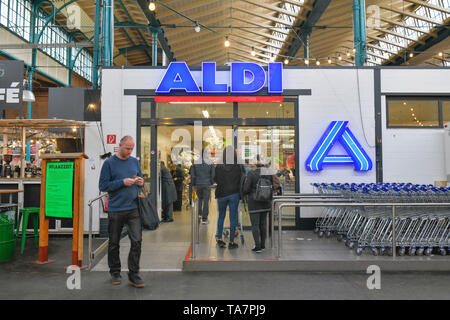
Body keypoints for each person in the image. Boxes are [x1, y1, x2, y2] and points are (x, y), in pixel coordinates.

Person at [98, 135, 145, 288]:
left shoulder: (134, 161)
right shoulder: (109, 163)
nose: (130, 151)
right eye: (127, 148)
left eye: (132, 148)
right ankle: (115, 271)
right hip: (116, 209)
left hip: (133, 208)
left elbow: (140, 178)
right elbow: (103, 185)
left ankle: (133, 273)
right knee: (114, 243)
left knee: (137, 240)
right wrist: (122, 182)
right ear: (120, 146)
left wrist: (140, 181)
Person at [242, 157, 280, 253]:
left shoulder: (251, 173)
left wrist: (245, 192)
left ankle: (257, 246)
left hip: (254, 202)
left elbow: (246, 189)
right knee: (263, 224)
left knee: (255, 225)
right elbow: (273, 186)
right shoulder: (268, 173)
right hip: (266, 202)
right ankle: (263, 245)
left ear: (255, 164)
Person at [214, 146, 244, 249]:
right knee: (233, 218)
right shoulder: (239, 166)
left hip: (221, 194)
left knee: (221, 216)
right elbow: (242, 180)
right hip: (234, 194)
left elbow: (215, 179)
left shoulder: (219, 166)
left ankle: (219, 239)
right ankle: (231, 241)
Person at [191, 150, 215, 225]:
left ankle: (199, 215)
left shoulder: (195, 163)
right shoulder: (210, 163)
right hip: (207, 184)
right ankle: (204, 219)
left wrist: (193, 185)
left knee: (200, 200)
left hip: (198, 184)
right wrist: (211, 182)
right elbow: (213, 174)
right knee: (206, 201)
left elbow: (193, 175)